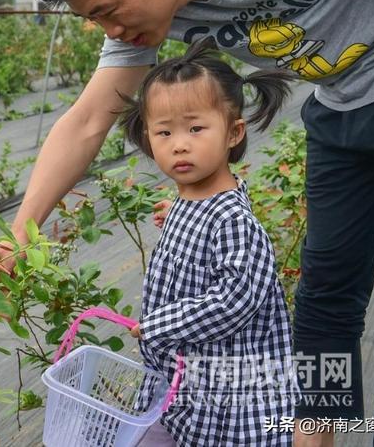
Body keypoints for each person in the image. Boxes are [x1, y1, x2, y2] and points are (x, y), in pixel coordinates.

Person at [0, 0, 374, 445]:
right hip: (337, 104)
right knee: (327, 293)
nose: (111, 29)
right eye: (95, 19)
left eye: (108, 10)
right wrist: (22, 231)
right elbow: (86, 119)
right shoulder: (139, 22)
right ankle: (318, 436)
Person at [117, 37, 296, 445]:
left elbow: (233, 301)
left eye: (196, 128)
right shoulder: (189, 202)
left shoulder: (234, 219)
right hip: (190, 379)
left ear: (233, 133)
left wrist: (157, 325)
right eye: (164, 132)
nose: (179, 143)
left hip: (232, 394)